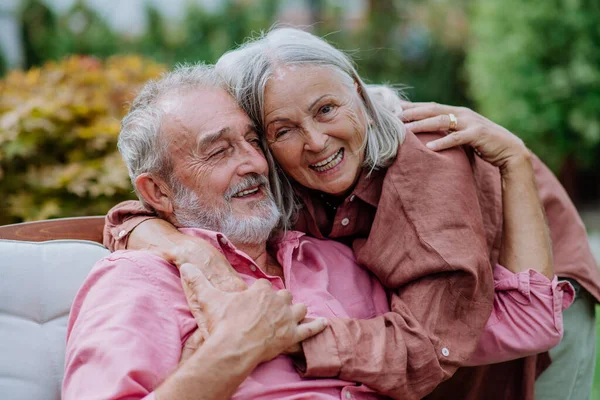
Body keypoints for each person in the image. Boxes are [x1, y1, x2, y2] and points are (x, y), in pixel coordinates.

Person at [103, 28, 600, 400]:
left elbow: (512, 325)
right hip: (437, 310)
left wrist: (278, 339)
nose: (316, 142)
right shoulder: (270, 176)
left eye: (326, 110)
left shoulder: (427, 164)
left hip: (529, 295)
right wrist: (186, 249)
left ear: (360, 97)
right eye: (281, 129)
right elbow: (146, 207)